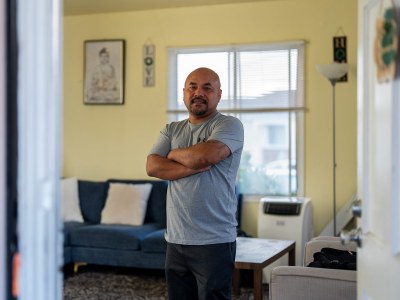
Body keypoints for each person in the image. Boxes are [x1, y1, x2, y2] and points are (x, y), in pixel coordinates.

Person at [146, 67, 244, 300]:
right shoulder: (171, 129)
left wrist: (172, 154)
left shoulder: (229, 125)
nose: (198, 92)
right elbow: (152, 166)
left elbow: (205, 156)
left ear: (219, 94)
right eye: (192, 86)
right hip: (176, 240)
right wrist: (192, 162)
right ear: (184, 93)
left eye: (207, 88)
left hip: (214, 240)